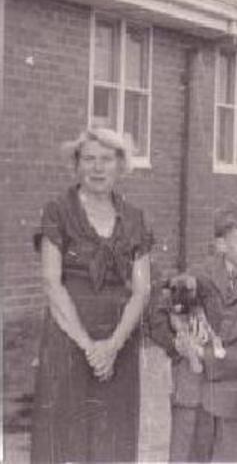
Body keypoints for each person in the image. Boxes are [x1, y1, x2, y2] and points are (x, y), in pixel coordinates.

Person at [31, 126, 153, 463]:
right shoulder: (57, 211)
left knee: (113, 433)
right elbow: (51, 284)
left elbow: (142, 289)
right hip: (68, 336)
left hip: (119, 335)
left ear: (120, 165)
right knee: (64, 434)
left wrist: (112, 346)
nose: (98, 168)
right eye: (89, 159)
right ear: (77, 165)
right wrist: (90, 348)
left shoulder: (134, 218)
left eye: (106, 159)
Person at [150, 199, 237, 462]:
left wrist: (204, 356)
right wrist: (176, 343)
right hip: (191, 400)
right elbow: (157, 315)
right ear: (221, 245)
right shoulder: (198, 276)